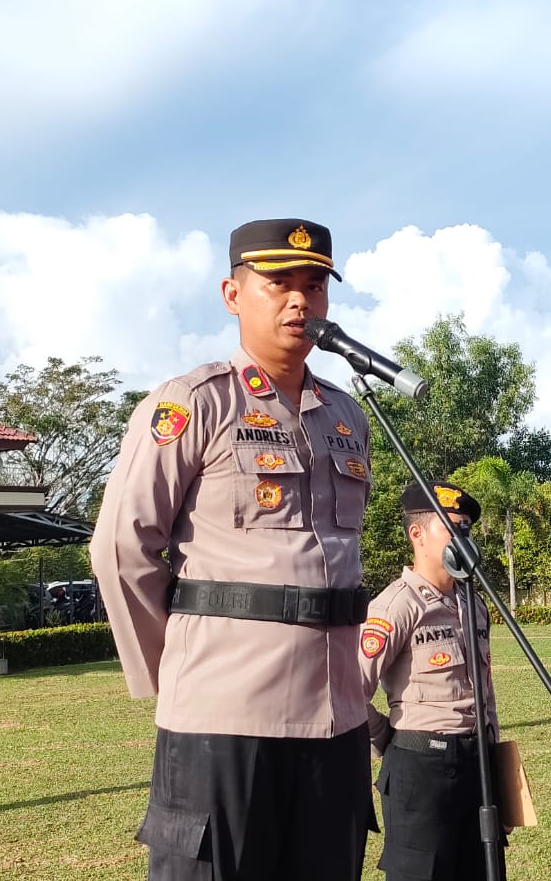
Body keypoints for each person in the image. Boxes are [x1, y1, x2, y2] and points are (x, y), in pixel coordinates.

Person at [91, 218, 377, 880]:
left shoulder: (347, 417)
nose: (300, 301)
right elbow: (122, 547)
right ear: (232, 293)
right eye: (279, 283)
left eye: (315, 285)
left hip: (335, 721)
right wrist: (181, 673)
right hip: (224, 716)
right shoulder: (194, 404)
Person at [360, 480, 506, 881]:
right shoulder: (395, 606)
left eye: (466, 529)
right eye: (452, 527)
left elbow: (486, 694)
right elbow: (349, 691)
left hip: (476, 766)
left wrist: (496, 771)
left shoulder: (473, 602)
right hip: (420, 770)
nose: (463, 537)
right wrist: (388, 739)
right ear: (418, 535)